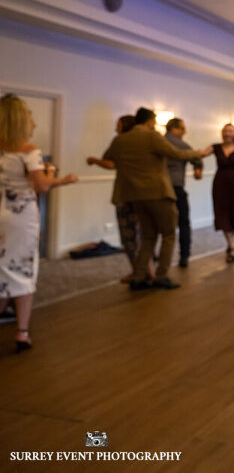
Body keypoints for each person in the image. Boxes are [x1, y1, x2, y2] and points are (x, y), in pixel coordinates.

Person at [0, 94, 78, 351]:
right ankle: (22, 332)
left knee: (2, 268)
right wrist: (58, 176)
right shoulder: (29, 150)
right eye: (31, 117)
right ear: (22, 120)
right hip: (21, 217)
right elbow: (41, 186)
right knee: (23, 268)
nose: (33, 123)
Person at [103, 107, 208, 290]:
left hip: (135, 196)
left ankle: (138, 276)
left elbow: (108, 159)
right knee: (168, 234)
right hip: (158, 193)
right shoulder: (152, 137)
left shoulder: (120, 140)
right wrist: (200, 153)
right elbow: (176, 154)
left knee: (148, 236)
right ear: (151, 121)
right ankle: (161, 275)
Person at [87, 115, 143, 282]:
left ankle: (137, 273)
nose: (115, 129)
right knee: (142, 235)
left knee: (129, 237)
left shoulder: (120, 141)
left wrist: (93, 160)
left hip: (126, 195)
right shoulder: (144, 142)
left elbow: (110, 163)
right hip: (144, 195)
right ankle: (147, 271)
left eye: (117, 126)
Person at [164, 118, 203, 268]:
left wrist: (197, 166)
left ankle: (154, 258)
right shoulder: (179, 144)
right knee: (183, 223)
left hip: (158, 190)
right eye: (182, 128)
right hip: (174, 188)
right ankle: (184, 255)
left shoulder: (158, 141)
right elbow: (196, 156)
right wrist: (198, 169)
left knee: (157, 227)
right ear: (174, 129)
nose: (185, 132)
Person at [212, 123, 234, 263]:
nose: (228, 134)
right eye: (225, 131)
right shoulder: (216, 147)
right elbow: (199, 154)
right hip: (220, 184)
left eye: (230, 131)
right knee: (222, 214)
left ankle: (230, 243)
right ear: (222, 133)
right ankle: (232, 247)